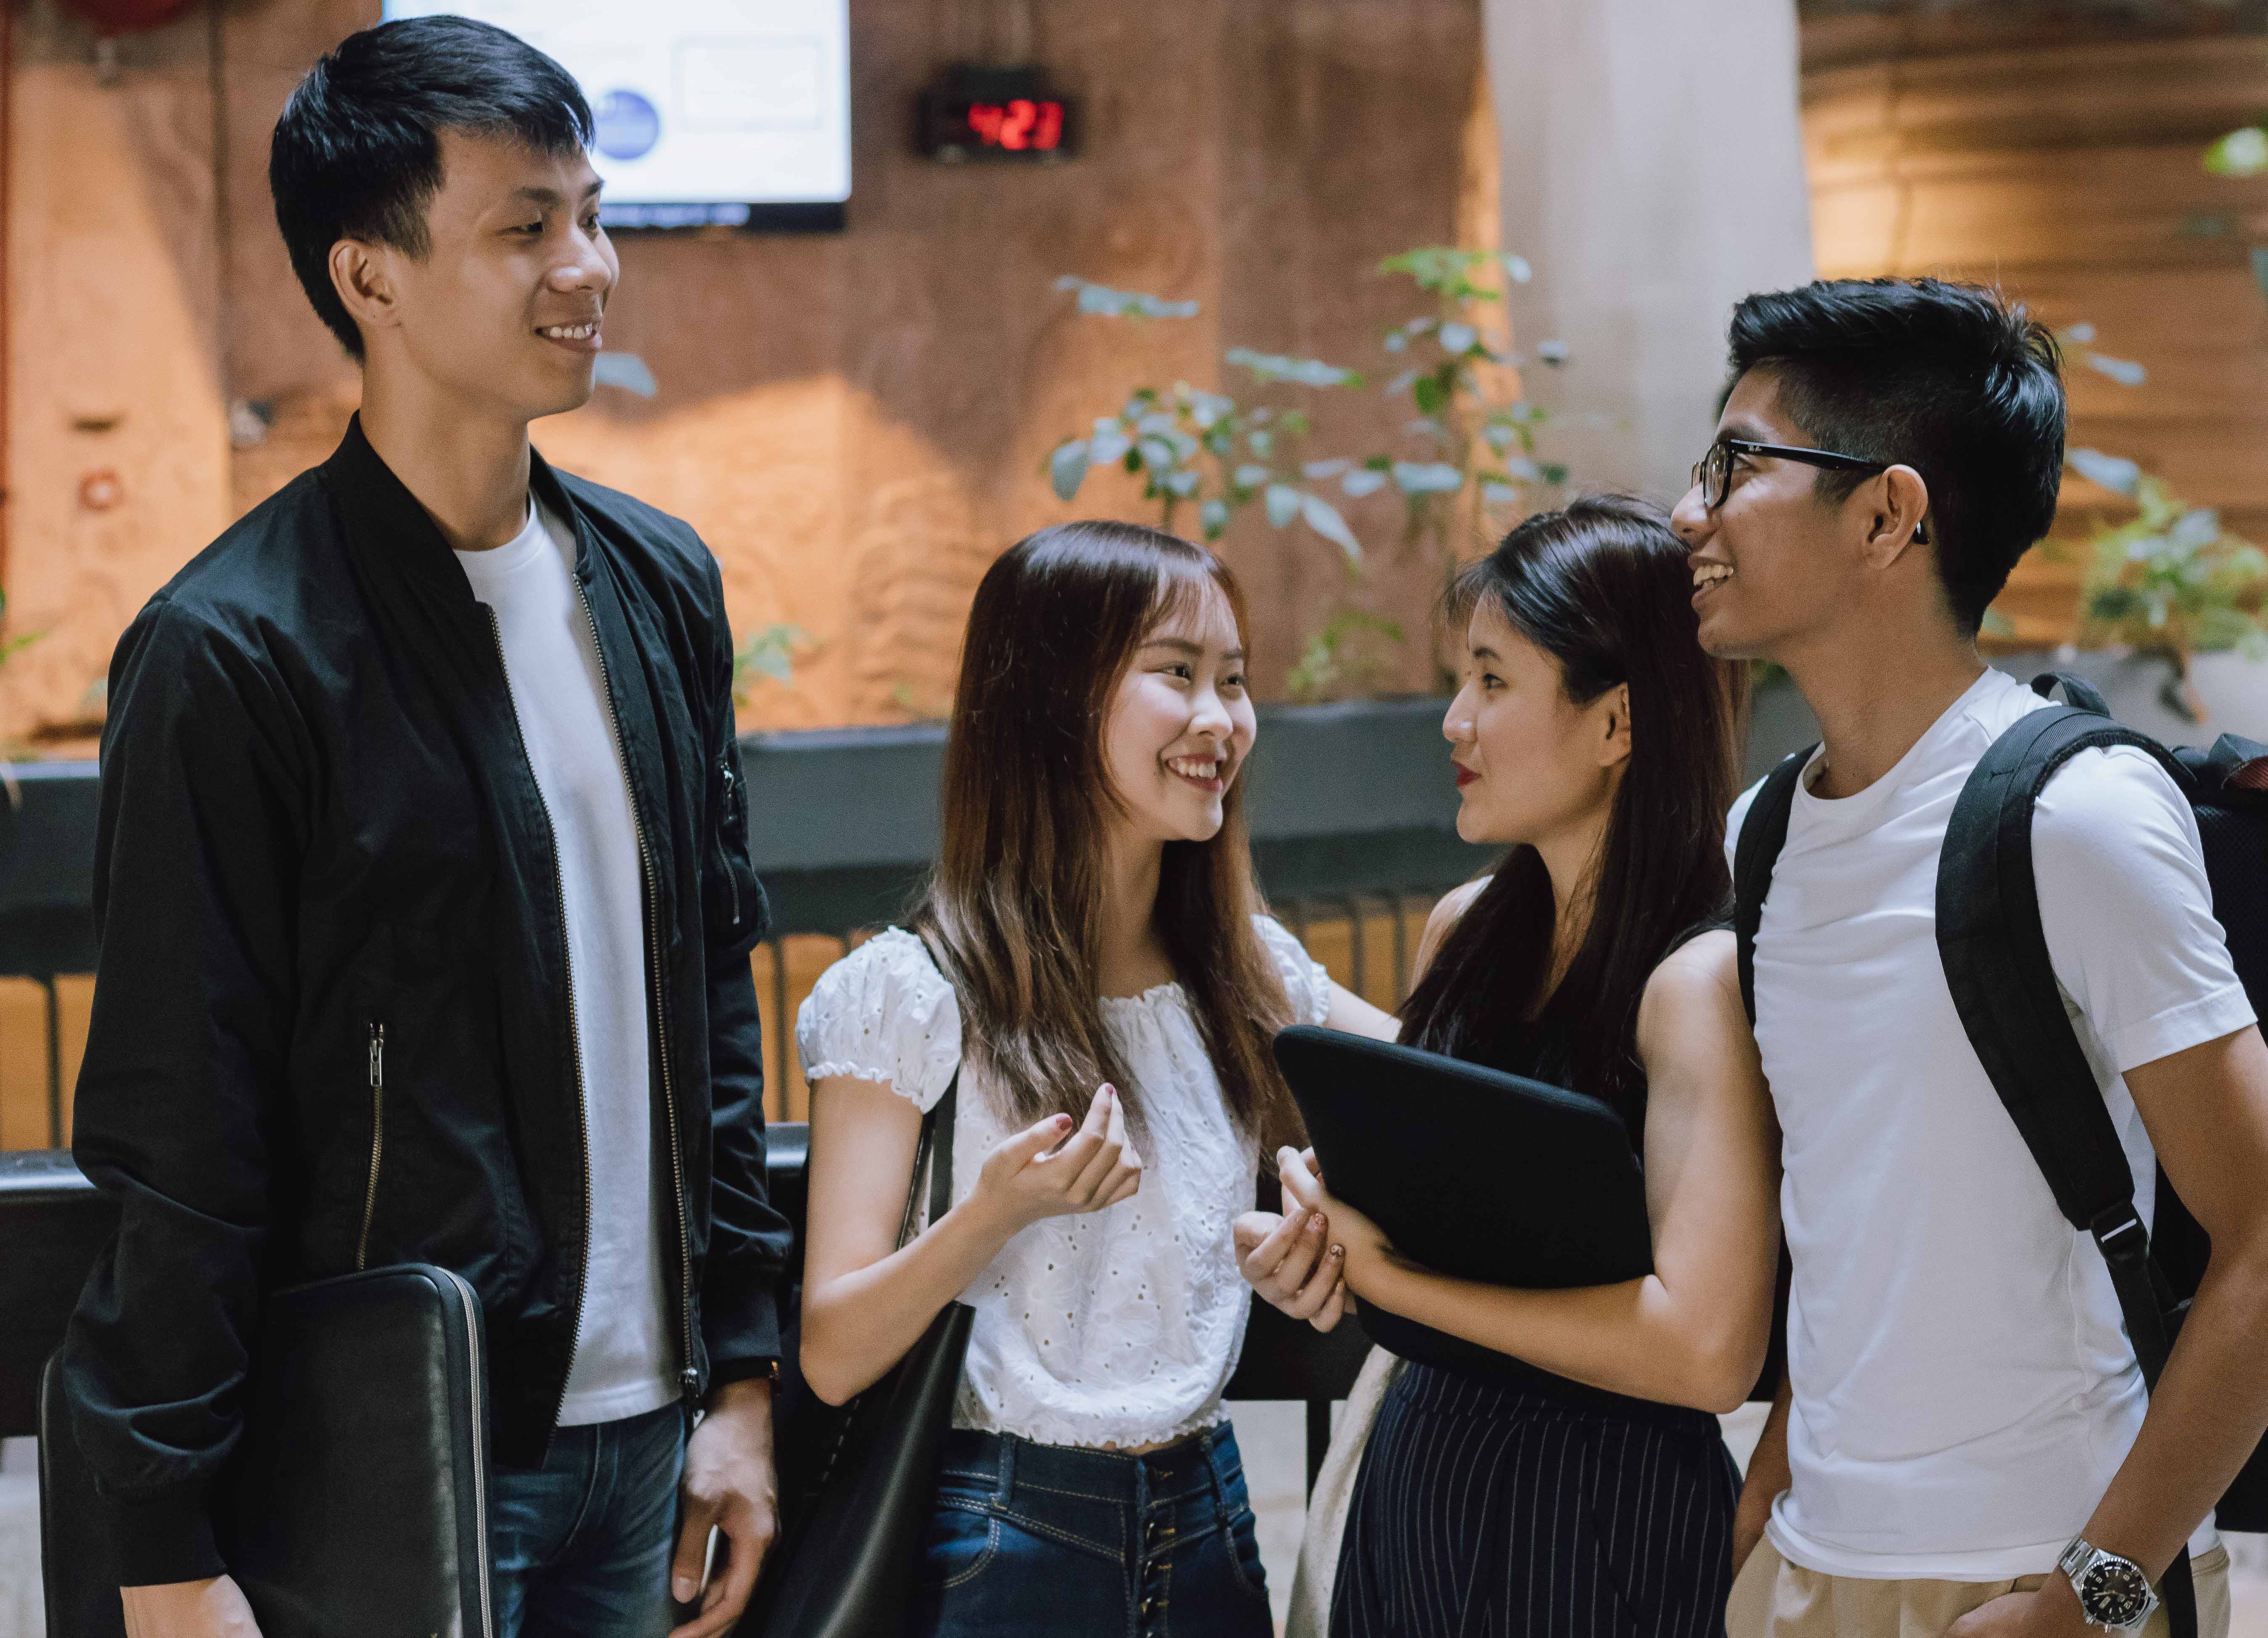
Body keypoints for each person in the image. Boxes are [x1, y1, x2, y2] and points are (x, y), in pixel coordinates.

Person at [60, 19, 791, 1638]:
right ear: (369, 279)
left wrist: (740, 1376)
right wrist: (167, 1550)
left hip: (645, 1434)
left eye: (591, 215)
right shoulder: (235, 650)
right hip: (388, 1442)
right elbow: (184, 1117)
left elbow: (709, 1001)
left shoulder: (657, 584)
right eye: (524, 227)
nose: (586, 266)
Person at [1673, 278, 2268, 1638]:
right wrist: (1770, 1499)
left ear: (1885, 513)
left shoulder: (2075, 817)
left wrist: (2085, 1602)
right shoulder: (1762, 838)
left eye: (1739, 464)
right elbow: (1855, 1215)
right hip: (1808, 1569)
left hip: (2045, 1573)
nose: (1692, 512)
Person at [793, 521, 1395, 1638]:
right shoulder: (910, 994)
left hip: (1211, 1515)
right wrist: (992, 1215)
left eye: (1235, 680)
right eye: (1177, 675)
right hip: (1003, 1541)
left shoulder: (1245, 971)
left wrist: (1337, 1230)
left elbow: (1444, 1097)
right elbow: (833, 1351)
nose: (1220, 720)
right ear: (1052, 697)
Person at [1249, 496, 1781, 1638]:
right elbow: (1434, 1210)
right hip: (1421, 1466)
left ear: (1615, 722)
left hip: (1597, 1508)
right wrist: (1324, 1224)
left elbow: (1704, 1350)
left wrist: (1393, 1284)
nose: (1453, 721)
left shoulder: (1697, 983)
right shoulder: (1464, 929)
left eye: (1492, 681)